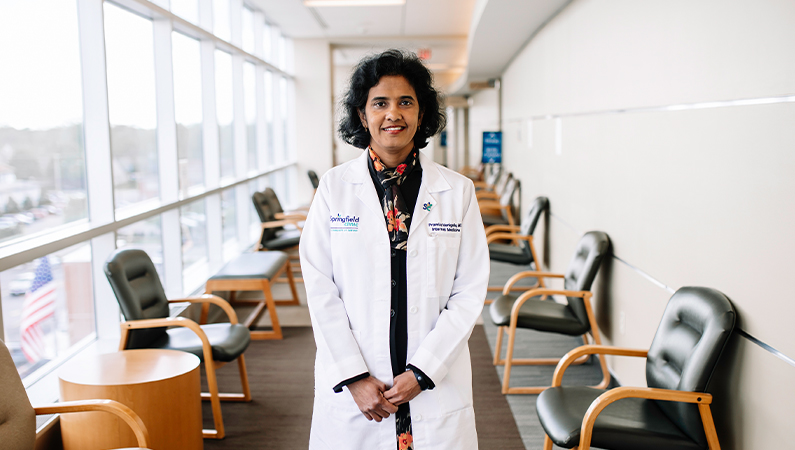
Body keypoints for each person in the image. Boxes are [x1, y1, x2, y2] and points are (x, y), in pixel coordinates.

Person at [299, 49, 489, 450]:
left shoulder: (457, 192)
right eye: (380, 103)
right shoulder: (335, 189)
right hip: (360, 388)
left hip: (434, 384)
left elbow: (469, 290)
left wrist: (424, 371)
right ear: (362, 114)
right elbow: (320, 289)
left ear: (422, 114)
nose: (393, 114)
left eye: (406, 102)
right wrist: (353, 376)